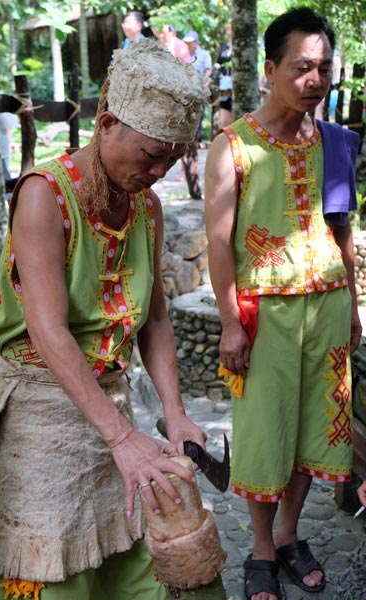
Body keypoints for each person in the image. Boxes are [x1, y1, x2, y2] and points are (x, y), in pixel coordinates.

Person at [0, 39, 209, 600]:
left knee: (133, 565)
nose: (157, 171)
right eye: (150, 154)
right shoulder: (44, 196)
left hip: (111, 401)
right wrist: (122, 437)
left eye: (171, 160)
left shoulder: (146, 209)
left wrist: (175, 414)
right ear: (105, 124)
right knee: (54, 576)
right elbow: (48, 330)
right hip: (41, 412)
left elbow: (154, 322)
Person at [205, 7, 361, 600]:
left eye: (323, 68)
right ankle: (263, 550)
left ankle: (292, 536)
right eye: (301, 68)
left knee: (312, 432)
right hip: (263, 314)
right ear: (270, 69)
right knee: (265, 433)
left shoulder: (337, 142)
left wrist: (351, 308)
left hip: (327, 305)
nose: (314, 80)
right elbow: (218, 242)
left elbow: (341, 227)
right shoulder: (233, 146)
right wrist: (228, 323)